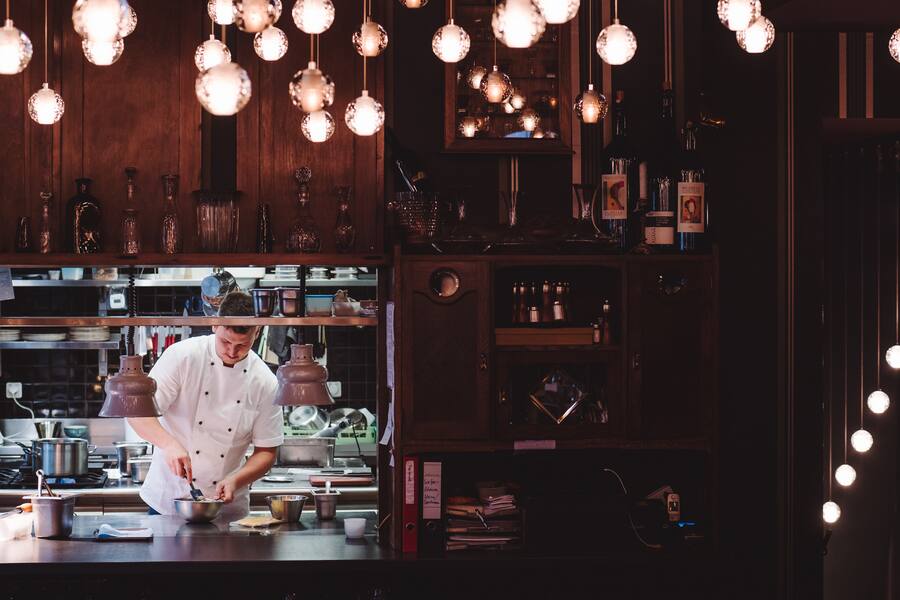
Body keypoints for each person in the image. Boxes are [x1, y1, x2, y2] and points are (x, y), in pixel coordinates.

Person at [128, 291, 284, 520]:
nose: (232, 351)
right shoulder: (182, 357)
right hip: (170, 500)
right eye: (226, 341)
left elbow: (267, 452)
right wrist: (169, 445)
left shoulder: (265, 382)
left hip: (227, 507)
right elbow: (137, 412)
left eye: (242, 345)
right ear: (214, 325)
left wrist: (236, 480)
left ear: (257, 332)